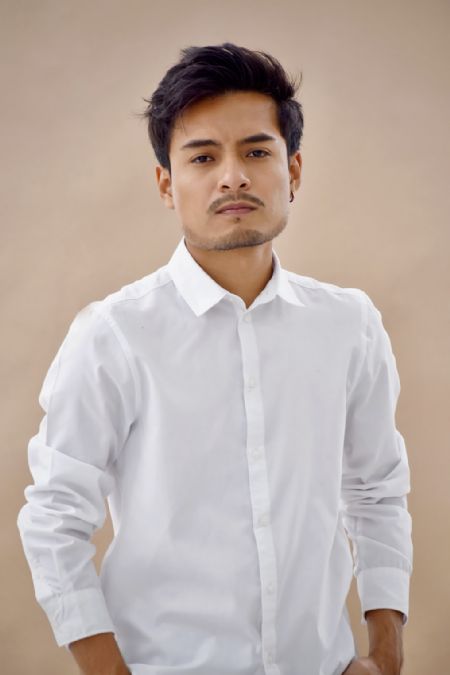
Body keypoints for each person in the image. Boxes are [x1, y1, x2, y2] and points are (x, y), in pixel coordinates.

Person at [17, 42, 412, 675]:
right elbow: (53, 517)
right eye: (203, 157)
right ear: (166, 184)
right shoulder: (114, 335)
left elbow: (376, 492)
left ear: (294, 171)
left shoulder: (349, 325)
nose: (233, 177)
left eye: (257, 152)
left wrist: (386, 654)